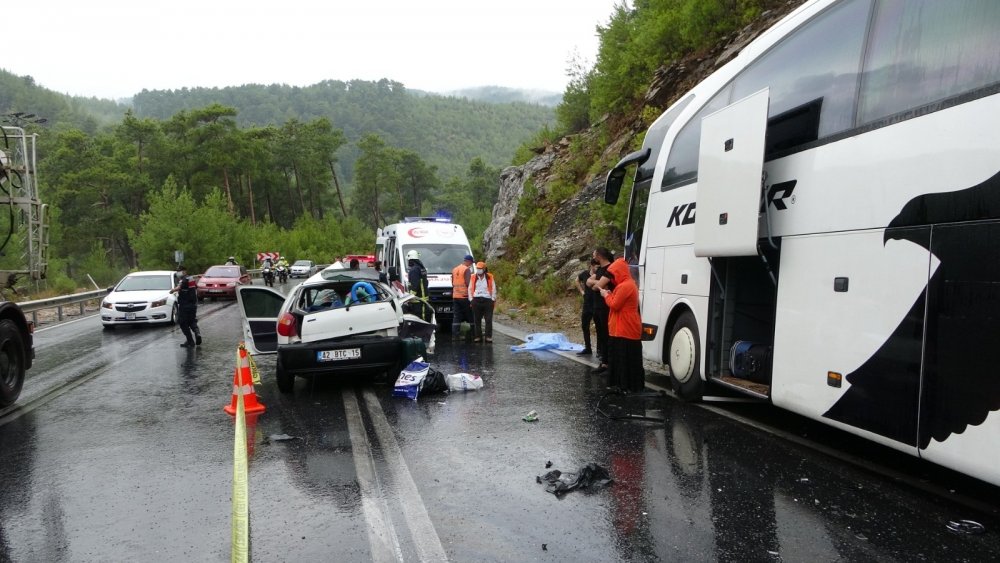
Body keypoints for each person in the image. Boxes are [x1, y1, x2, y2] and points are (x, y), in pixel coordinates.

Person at [600, 257, 644, 392]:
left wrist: (605, 295)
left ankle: (623, 385)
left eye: (614, 274)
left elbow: (615, 304)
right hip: (623, 326)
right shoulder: (628, 284)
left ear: (619, 272)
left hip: (624, 327)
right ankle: (625, 384)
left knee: (622, 357)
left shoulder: (625, 286)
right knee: (626, 358)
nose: (612, 278)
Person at [587, 247, 615, 374]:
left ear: (599, 256)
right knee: (601, 336)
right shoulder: (599, 270)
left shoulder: (610, 268)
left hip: (605, 307)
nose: (593, 258)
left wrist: (596, 283)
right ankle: (604, 362)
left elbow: (596, 287)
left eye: (594, 255)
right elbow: (588, 282)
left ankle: (610, 363)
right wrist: (598, 282)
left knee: (607, 335)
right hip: (596, 307)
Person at [170, 265, 202, 347]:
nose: (178, 273)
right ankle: (197, 333)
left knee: (183, 323)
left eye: (179, 271)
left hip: (185, 305)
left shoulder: (184, 279)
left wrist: (172, 290)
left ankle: (190, 341)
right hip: (193, 304)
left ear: (184, 271)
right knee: (192, 321)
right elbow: (195, 287)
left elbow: (180, 286)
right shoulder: (191, 279)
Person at [468, 260, 497, 343]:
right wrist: (471, 299)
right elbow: (470, 289)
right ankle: (478, 336)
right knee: (477, 319)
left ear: (484, 269)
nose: (478, 270)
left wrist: (493, 299)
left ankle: (488, 336)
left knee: (488, 319)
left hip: (487, 300)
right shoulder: (473, 277)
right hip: (476, 300)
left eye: (480, 268)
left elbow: (494, 288)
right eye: (477, 268)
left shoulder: (490, 277)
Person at [576, 259, 598, 356]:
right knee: (585, 326)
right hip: (587, 304)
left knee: (599, 328)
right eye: (596, 267)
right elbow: (576, 280)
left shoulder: (600, 275)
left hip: (597, 304)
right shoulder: (585, 274)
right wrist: (582, 291)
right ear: (592, 266)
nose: (598, 269)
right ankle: (587, 348)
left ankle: (600, 350)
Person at [451, 254, 475, 338]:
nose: (471, 265)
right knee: (470, 315)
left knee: (457, 316)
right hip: (464, 296)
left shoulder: (455, 269)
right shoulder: (466, 269)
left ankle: (455, 335)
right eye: (471, 263)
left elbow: (452, 282)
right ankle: (474, 333)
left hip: (455, 296)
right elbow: (469, 284)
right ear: (468, 261)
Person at [406, 250, 432, 321]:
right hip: (423, 298)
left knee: (420, 318)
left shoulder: (414, 270)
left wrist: (410, 297)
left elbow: (415, 285)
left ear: (411, 259)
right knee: (424, 316)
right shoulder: (421, 268)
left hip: (418, 299)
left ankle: (423, 331)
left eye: (409, 261)